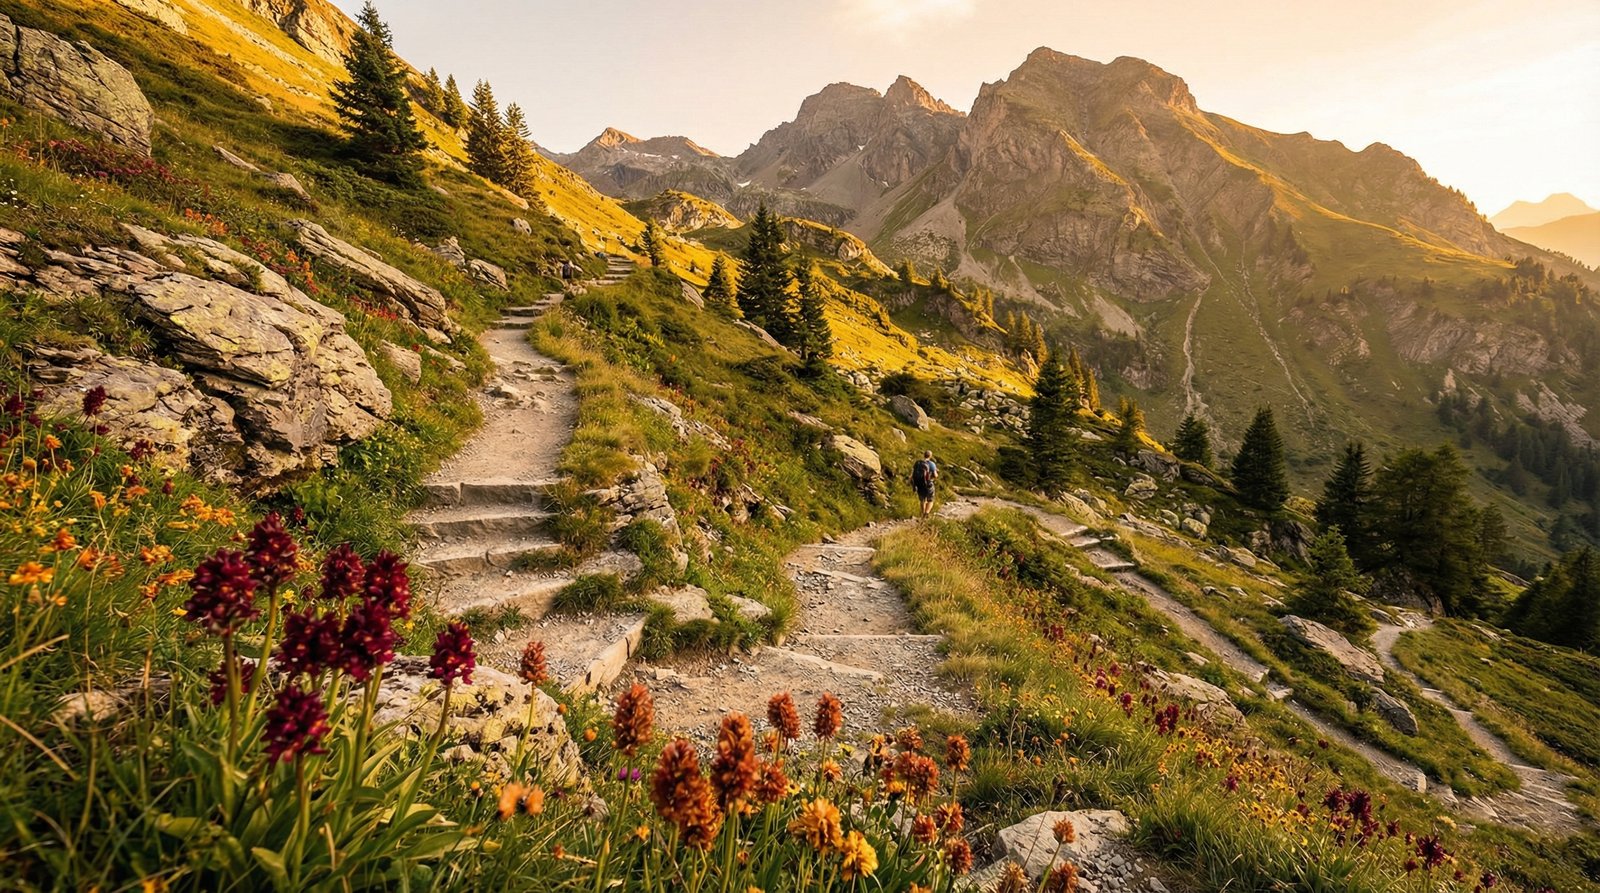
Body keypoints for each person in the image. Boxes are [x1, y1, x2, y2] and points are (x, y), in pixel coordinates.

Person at [911, 450, 938, 519]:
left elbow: (912, 475)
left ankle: (922, 513)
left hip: (919, 484)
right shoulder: (932, 464)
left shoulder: (918, 463)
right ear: (930, 456)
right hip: (928, 483)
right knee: (930, 499)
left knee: (922, 499)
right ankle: (926, 513)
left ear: (924, 455)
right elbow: (935, 475)